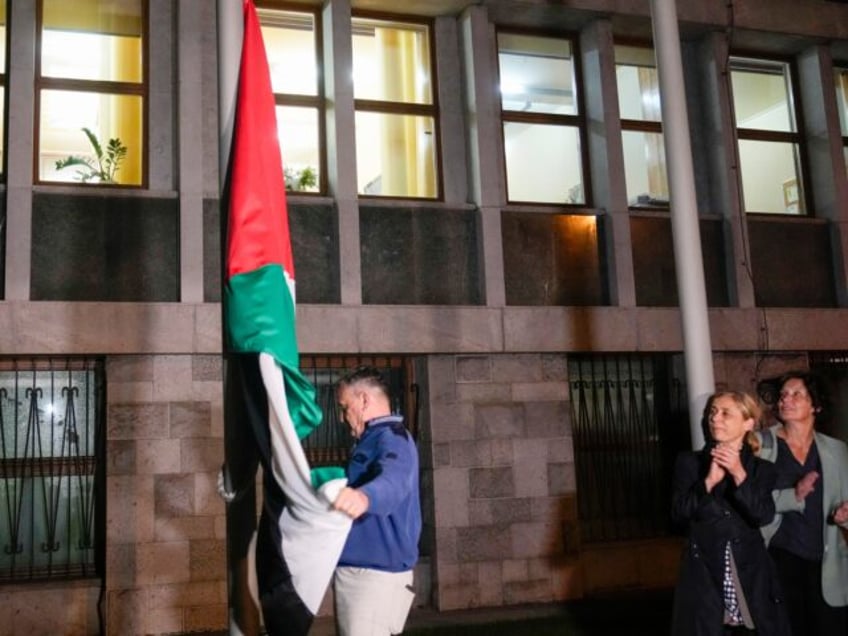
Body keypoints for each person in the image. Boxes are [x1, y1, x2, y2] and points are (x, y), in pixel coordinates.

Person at [671, 391, 790, 636]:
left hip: (750, 576)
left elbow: (762, 515)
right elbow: (678, 515)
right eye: (713, 412)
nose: (716, 419)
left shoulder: (761, 469)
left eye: (726, 413)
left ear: (748, 423)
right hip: (704, 575)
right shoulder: (689, 463)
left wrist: (738, 474)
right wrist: (707, 483)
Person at [331, 366, 421, 636]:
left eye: (345, 407)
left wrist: (364, 497)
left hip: (375, 578)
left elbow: (394, 479)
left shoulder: (393, 439)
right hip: (361, 573)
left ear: (364, 401)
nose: (343, 417)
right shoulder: (371, 440)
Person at [757, 371, 848, 636]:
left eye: (797, 394)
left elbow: (844, 504)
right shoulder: (761, 445)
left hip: (827, 562)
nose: (786, 399)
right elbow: (750, 502)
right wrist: (792, 496)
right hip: (779, 557)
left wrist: (843, 516)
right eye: (783, 394)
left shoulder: (836, 450)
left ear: (815, 405)